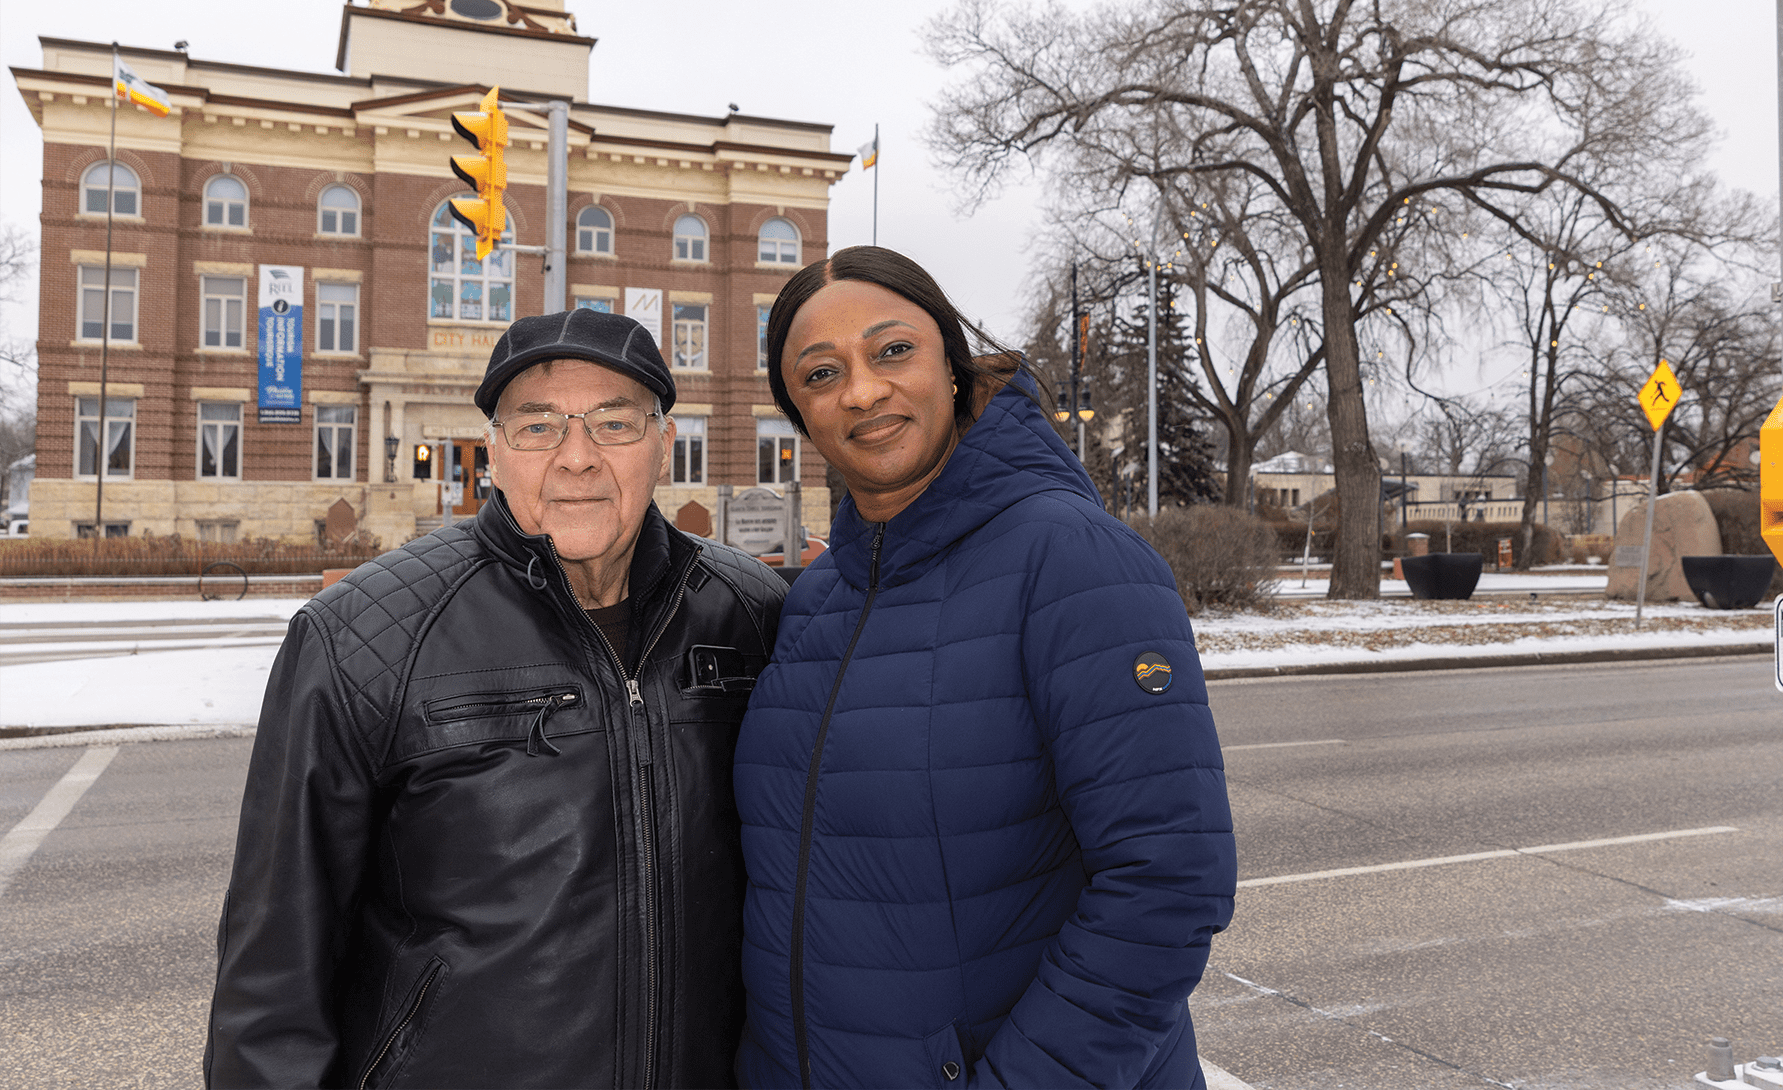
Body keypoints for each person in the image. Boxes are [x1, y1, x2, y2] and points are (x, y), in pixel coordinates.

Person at [206, 309, 787, 1089]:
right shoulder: (361, 636)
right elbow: (274, 968)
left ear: (663, 442)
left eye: (614, 423)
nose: (576, 457)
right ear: (495, 451)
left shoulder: (751, 612)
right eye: (537, 426)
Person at [733, 247, 1236, 1089]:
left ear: (953, 366)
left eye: (893, 350)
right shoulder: (816, 599)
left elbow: (1167, 884)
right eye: (821, 373)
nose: (861, 390)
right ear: (799, 415)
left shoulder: (1070, 558)